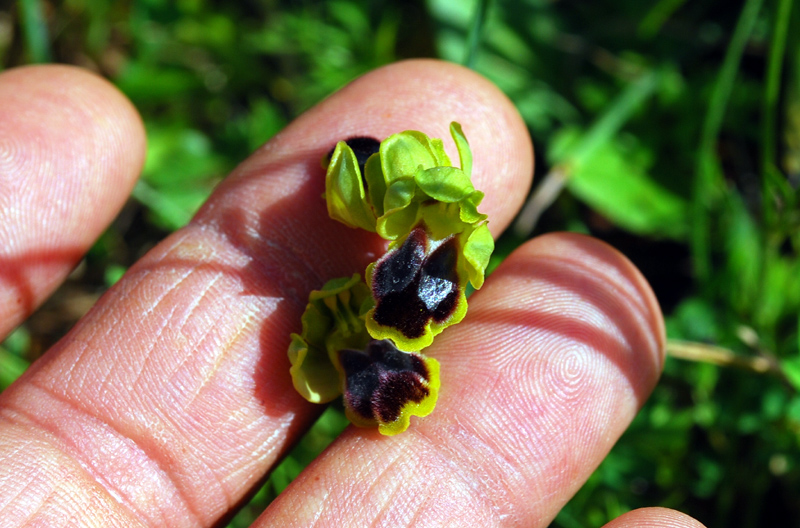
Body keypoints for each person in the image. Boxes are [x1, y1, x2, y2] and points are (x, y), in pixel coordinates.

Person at [0, 60, 704, 527]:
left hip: (412, 279)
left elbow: (447, 236)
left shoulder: (441, 242)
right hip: (381, 303)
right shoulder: (365, 285)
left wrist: (429, 244)